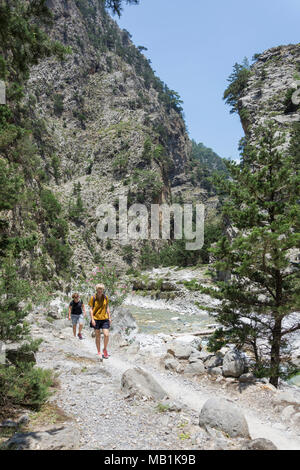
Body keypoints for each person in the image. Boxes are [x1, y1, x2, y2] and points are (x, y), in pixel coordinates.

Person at [89, 284, 111, 359]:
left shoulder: (105, 297)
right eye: (99, 289)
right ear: (96, 289)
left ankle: (104, 349)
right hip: (96, 319)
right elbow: (91, 309)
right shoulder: (93, 298)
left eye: (101, 289)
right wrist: (92, 319)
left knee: (106, 334)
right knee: (97, 336)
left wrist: (109, 317)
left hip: (104, 318)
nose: (100, 290)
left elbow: (107, 307)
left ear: (103, 290)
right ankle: (99, 352)